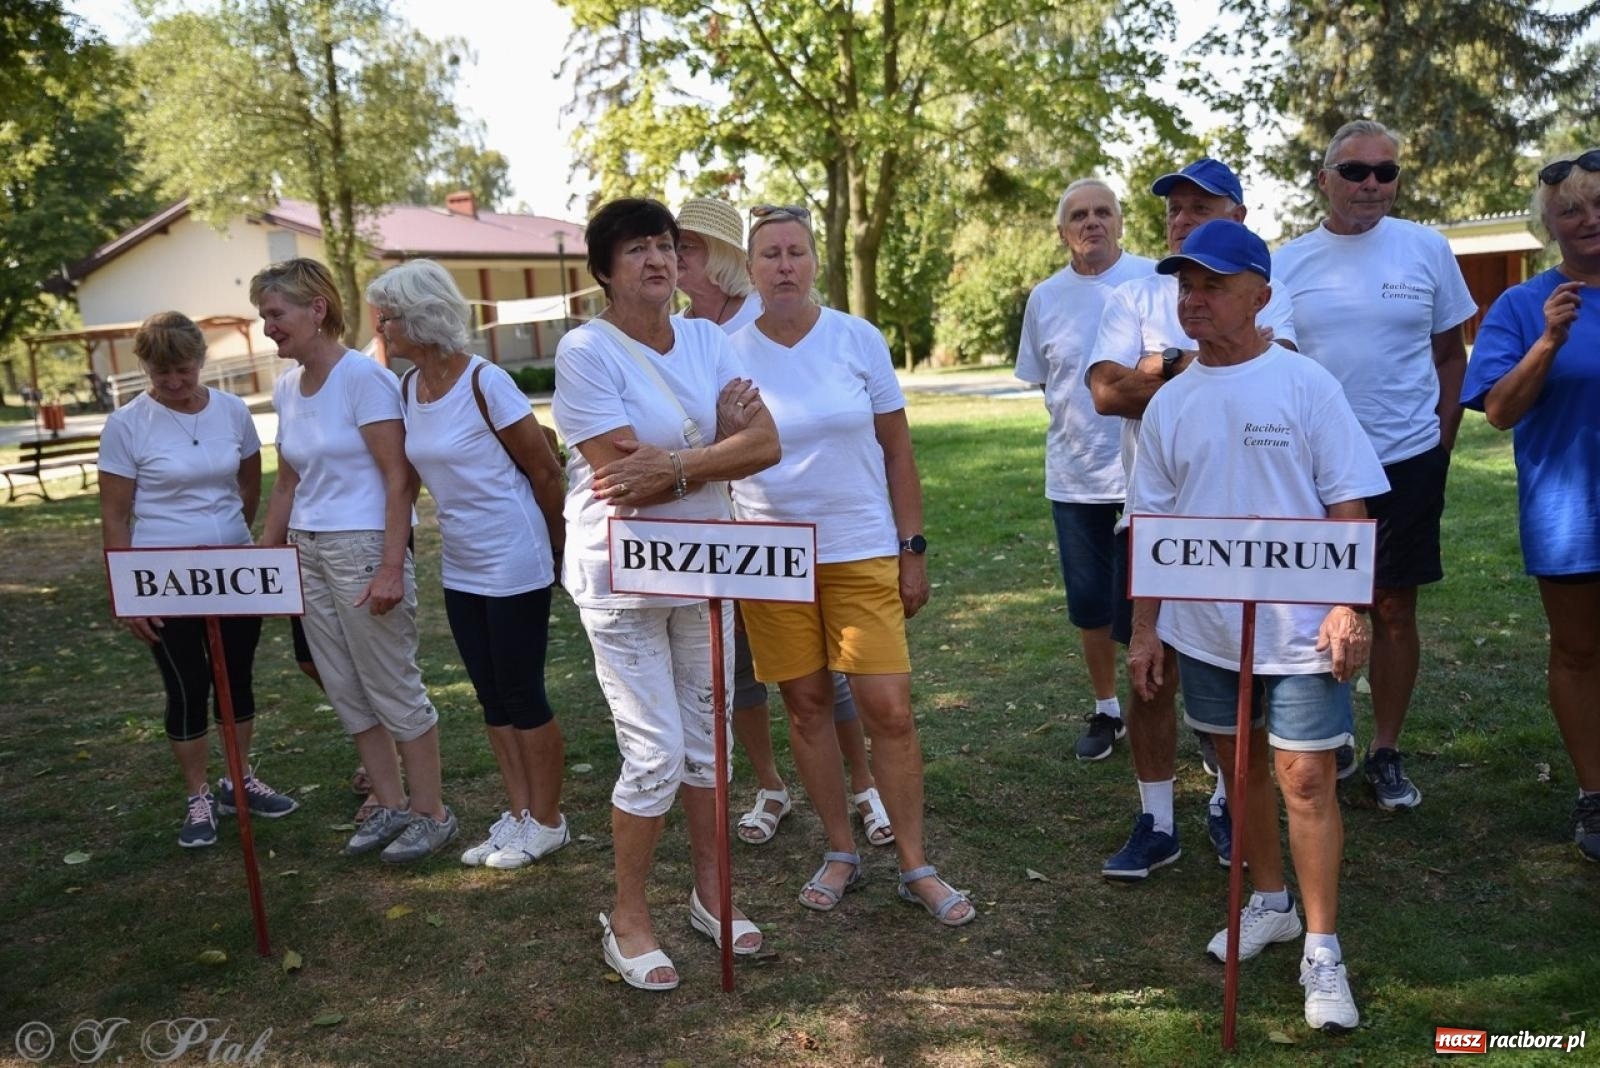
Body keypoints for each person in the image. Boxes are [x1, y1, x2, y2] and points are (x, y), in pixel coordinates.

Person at [1128, 219, 1386, 1032]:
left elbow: (1348, 499)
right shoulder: (1170, 401)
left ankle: (1321, 944)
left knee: (1305, 779)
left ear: (1261, 295)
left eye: (1212, 285)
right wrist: (1146, 630)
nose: (1193, 300)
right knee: (1236, 769)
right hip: (1208, 630)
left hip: (1303, 628)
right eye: (1185, 286)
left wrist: (1352, 604)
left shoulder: (1307, 385)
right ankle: (1267, 900)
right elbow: (1152, 525)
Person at [552, 197, 781, 991]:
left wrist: (684, 463)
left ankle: (713, 896)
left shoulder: (710, 338)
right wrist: (720, 445)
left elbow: (767, 442)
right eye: (637, 249)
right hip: (622, 576)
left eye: (665, 246)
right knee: (651, 753)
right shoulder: (586, 351)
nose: (656, 260)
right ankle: (628, 918)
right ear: (607, 271)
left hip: (706, 568)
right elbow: (623, 475)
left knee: (707, 739)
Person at [730, 204, 977, 927]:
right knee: (805, 709)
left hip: (860, 546)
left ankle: (915, 864)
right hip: (770, 557)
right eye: (769, 254)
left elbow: (898, 450)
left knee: (889, 710)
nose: (783, 265)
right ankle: (840, 851)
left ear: (815, 264)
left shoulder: (856, 339)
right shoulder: (725, 350)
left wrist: (913, 547)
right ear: (749, 270)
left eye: (795, 252)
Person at [1087, 157, 1299, 877]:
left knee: (1238, 666)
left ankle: (1228, 799)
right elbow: (1106, 395)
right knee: (1151, 666)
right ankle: (1156, 817)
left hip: (1250, 520)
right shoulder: (1132, 294)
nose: (1181, 219)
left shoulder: (1274, 286)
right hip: (1152, 512)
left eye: (1200, 208)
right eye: (1174, 209)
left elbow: (1271, 373)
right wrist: (1194, 362)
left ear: (1237, 216)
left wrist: (1160, 364)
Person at [675, 196, 894, 849]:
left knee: (839, 680)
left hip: (831, 540)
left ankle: (864, 787)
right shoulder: (694, 338)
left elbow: (890, 439)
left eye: (683, 248)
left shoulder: (792, 324)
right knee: (755, 677)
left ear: (715, 258)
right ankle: (774, 787)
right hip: (743, 540)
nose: (671, 259)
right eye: (770, 254)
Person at [1273, 120, 1478, 810]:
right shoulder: (1287, 261)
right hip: (1317, 468)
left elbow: (1452, 355)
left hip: (1407, 457)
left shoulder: (1426, 249)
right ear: (1323, 178)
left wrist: (1442, 440)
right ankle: (1329, 738)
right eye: (1354, 171)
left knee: (1393, 606)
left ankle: (1386, 749)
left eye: (1385, 172)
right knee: (1320, 608)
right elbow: (1281, 365)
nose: (1371, 185)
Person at [367, 258, 570, 870]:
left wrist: (561, 554)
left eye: (389, 317)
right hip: (460, 563)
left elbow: (545, 469)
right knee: (490, 696)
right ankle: (519, 815)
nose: (381, 328)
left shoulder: (487, 382)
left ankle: (550, 821)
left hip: (515, 557)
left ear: (422, 316)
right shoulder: (407, 388)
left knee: (522, 692)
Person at [254, 257, 457, 864]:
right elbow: (287, 483)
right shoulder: (287, 388)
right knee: (344, 686)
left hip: (363, 547)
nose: (267, 328)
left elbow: (400, 480)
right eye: (263, 316)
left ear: (316, 310)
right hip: (307, 549)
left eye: (275, 314)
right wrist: (266, 561)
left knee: (392, 684)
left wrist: (391, 566)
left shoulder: (364, 380)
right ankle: (391, 806)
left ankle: (431, 813)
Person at [98, 311, 297, 848]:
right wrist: (128, 595)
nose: (175, 383)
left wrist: (237, 538)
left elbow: (250, 481)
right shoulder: (127, 424)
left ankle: (238, 780)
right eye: (162, 374)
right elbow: (115, 517)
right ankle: (198, 796)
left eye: (184, 371)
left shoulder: (232, 411)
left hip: (231, 566)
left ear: (201, 361)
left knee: (237, 675)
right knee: (187, 684)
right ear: (144, 368)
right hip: (161, 572)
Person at [1461, 148, 1600, 861]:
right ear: (1550, 226)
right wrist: (1549, 340)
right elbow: (1500, 413)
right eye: (1571, 210)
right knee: (1579, 653)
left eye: (1598, 205)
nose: (1589, 220)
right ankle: (1594, 794)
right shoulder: (1522, 306)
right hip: (1572, 515)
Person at [1014, 178, 1155, 761]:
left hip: (1150, 476)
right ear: (1062, 232)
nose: (1092, 222)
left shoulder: (1155, 280)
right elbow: (1047, 381)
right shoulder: (1046, 298)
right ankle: (1107, 710)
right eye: (1079, 215)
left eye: (1103, 212)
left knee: (1156, 601)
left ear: (1121, 222)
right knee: (1091, 605)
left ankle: (1167, 708)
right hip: (1075, 478)